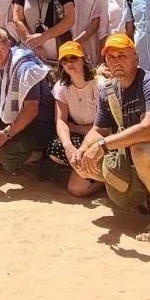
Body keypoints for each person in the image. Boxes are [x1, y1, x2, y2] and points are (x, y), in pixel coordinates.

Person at [71, 34, 150, 244]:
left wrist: (102, 145)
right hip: (141, 160)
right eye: (111, 57)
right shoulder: (108, 90)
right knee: (85, 166)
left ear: (136, 58)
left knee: (140, 150)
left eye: (122, 56)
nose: (116, 61)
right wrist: (82, 151)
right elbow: (99, 130)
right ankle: (141, 198)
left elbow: (149, 130)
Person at [0, 27, 55, 172]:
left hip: (39, 126)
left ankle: (42, 156)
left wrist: (5, 135)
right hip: (14, 119)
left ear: (8, 44)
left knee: (4, 154)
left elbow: (31, 110)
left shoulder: (25, 68)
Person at [50, 41, 103, 198]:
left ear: (83, 60)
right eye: (65, 60)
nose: (69, 63)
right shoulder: (61, 87)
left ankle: (105, 177)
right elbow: (61, 121)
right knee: (56, 147)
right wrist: (68, 146)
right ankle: (91, 172)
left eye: (73, 58)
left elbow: (105, 127)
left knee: (76, 189)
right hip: (81, 138)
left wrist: (75, 128)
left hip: (101, 138)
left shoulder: (100, 85)